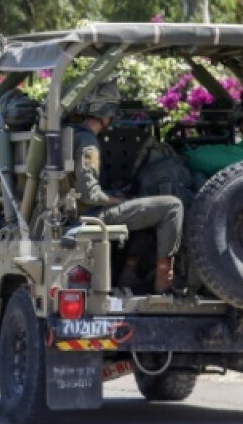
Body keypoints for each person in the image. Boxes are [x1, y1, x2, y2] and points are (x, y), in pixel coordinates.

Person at [70, 81, 184, 293]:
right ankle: (164, 278)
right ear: (107, 113)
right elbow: (89, 194)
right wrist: (119, 200)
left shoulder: (75, 136)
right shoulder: (88, 143)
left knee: (143, 204)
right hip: (91, 213)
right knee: (172, 206)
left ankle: (129, 273)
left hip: (82, 211)